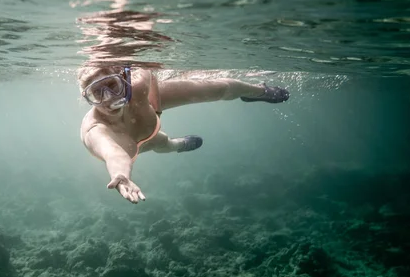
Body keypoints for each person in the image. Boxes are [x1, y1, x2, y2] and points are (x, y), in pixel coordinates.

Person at [78, 66, 289, 204]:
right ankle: (179, 145)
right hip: (135, 142)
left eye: (112, 85)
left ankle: (259, 91)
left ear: (123, 80)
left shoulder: (138, 85)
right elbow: (114, 153)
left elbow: (148, 72)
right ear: (88, 99)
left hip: (145, 107)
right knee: (163, 142)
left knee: (219, 87)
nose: (108, 98)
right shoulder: (95, 130)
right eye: (97, 92)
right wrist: (121, 176)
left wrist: (155, 105)